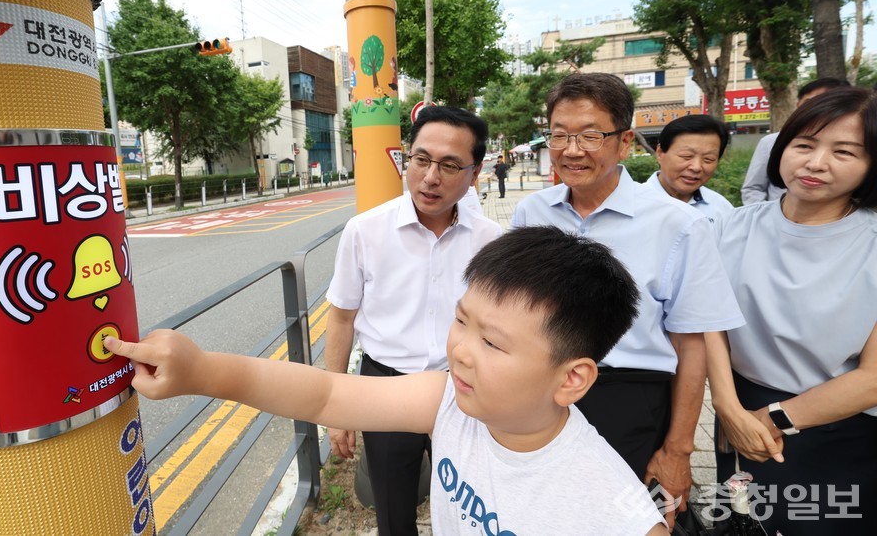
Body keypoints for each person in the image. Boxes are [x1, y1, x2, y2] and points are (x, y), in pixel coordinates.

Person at [104, 226, 668, 535]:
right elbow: (327, 394)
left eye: (492, 342)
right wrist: (201, 370)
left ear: (572, 379)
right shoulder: (447, 399)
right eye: (460, 321)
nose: (461, 352)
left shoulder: (613, 511)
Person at [511, 72, 745, 528]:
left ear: (624, 143)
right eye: (559, 135)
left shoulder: (678, 225)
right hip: (541, 392)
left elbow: (691, 343)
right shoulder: (531, 213)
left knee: (622, 521)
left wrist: (678, 449)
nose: (571, 149)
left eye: (590, 135)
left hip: (629, 402)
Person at [706, 87, 877, 535]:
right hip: (739, 410)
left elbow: (873, 377)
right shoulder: (729, 227)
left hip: (837, 425)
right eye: (804, 144)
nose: (816, 163)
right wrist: (727, 407)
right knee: (746, 521)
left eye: (844, 151)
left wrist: (774, 419)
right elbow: (709, 325)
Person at [325, 105, 502, 535]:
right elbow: (342, 319)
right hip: (384, 385)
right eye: (420, 159)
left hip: (464, 387)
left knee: (474, 507)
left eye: (449, 165)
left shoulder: (492, 243)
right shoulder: (364, 231)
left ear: (475, 173)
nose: (430, 177)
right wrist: (337, 407)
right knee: (393, 510)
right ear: (407, 159)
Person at [740, 77, 850, 205]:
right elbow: (752, 188)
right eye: (810, 102)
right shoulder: (771, 142)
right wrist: (765, 220)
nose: (815, 165)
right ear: (798, 105)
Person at [646, 114, 734, 221]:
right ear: (660, 153)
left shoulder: (722, 209)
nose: (696, 167)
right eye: (686, 156)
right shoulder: (633, 206)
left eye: (708, 159)